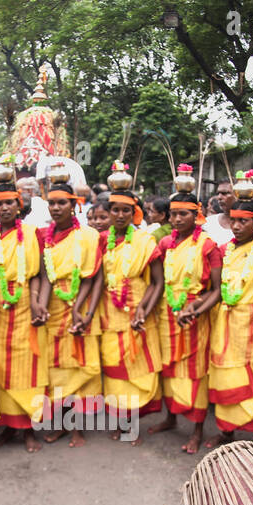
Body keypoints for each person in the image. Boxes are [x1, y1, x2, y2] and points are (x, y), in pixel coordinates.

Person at [147, 171, 222, 453]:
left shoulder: (208, 245)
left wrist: (196, 309)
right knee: (169, 368)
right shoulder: (166, 244)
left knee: (195, 373)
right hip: (169, 314)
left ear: (197, 215)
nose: (177, 219)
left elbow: (216, 291)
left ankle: (198, 430)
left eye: (184, 214)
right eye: (173, 214)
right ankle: (170, 417)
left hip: (196, 317)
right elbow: (159, 281)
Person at [88, 167, 162, 445]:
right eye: (114, 210)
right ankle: (121, 422)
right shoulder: (100, 241)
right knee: (115, 373)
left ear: (134, 214)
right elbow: (95, 280)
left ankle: (132, 425)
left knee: (136, 373)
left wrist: (144, 309)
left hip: (138, 315)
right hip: (110, 316)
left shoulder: (145, 241)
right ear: (107, 213)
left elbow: (157, 282)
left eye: (125, 211)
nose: (119, 215)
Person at [0, 174, 47, 451]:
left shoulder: (33, 233)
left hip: (26, 306)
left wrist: (39, 303)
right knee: (2, 370)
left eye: (9, 203)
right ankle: (8, 425)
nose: (4, 209)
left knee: (29, 370)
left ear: (19, 205)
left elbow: (41, 274)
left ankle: (29, 428)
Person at [203, 177, 253, 448]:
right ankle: (226, 431)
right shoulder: (223, 250)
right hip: (226, 321)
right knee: (224, 373)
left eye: (243, 221)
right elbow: (215, 287)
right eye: (233, 221)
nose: (236, 226)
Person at [37, 169, 102, 447]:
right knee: (57, 370)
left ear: (74, 203)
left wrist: (81, 310)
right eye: (51, 203)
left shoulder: (88, 235)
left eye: (61, 202)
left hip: (80, 305)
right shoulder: (43, 237)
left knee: (80, 367)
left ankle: (78, 427)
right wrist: (40, 305)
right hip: (53, 309)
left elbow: (93, 275)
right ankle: (62, 423)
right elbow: (44, 276)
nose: (55, 208)